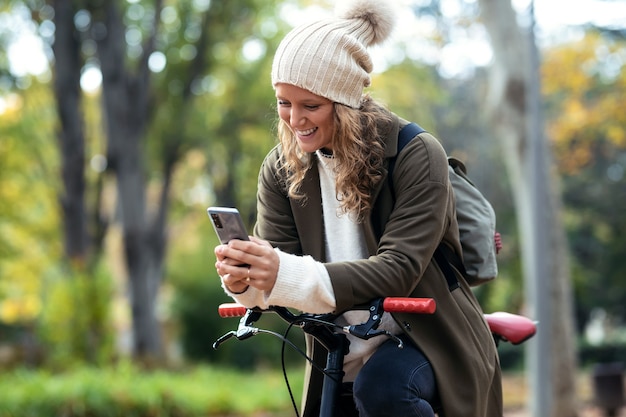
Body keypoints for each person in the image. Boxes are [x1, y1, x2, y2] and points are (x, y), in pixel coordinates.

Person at [214, 0, 502, 416]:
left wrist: (281, 271)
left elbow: (400, 268)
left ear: (344, 100)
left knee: (383, 389)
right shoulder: (279, 167)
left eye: (310, 105)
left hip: (430, 336)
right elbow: (281, 270)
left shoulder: (415, 153)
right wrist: (247, 280)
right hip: (338, 345)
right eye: (283, 102)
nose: (294, 120)